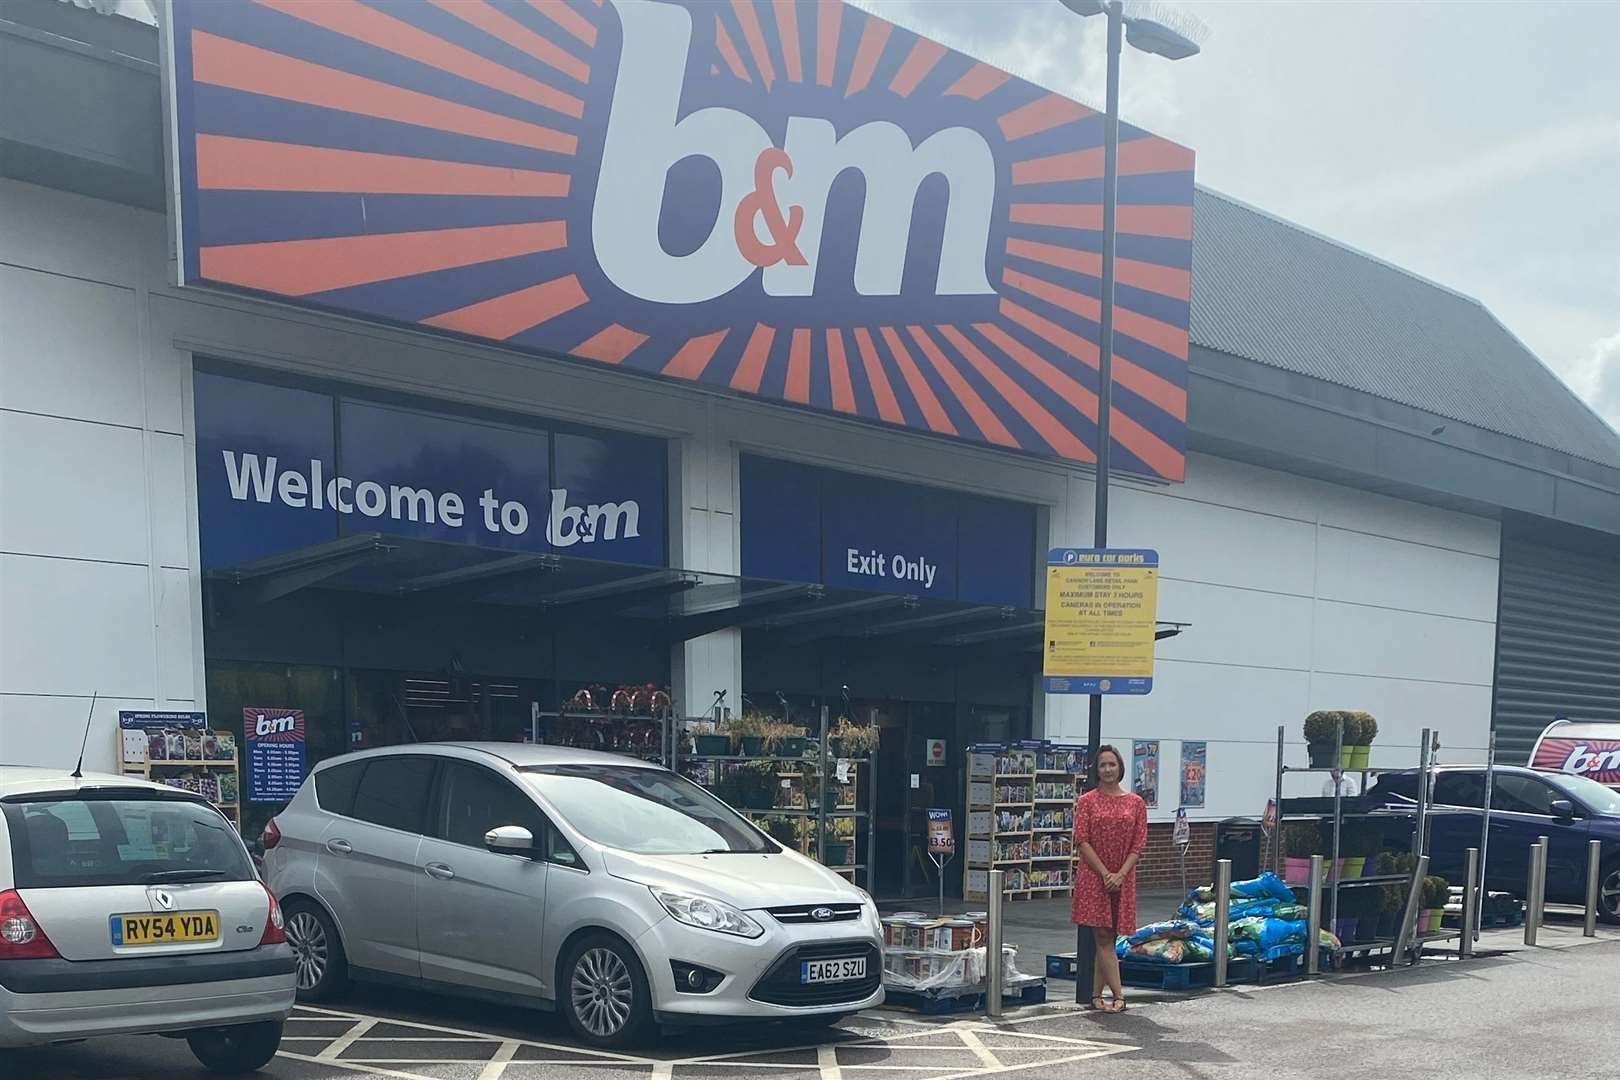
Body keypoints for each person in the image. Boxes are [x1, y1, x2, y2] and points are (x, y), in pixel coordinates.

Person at [1072, 744, 1149, 1013]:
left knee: (1110, 938)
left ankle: (1095, 995)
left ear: (1120, 768)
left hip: (1123, 876)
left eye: (1112, 764)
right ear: (1097, 770)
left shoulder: (1136, 803)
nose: (1107, 769)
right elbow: (1081, 840)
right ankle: (1119, 995)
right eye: (1103, 765)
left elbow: (1138, 845)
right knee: (1103, 935)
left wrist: (1120, 874)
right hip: (1095, 875)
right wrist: (1105, 873)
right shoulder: (1087, 801)